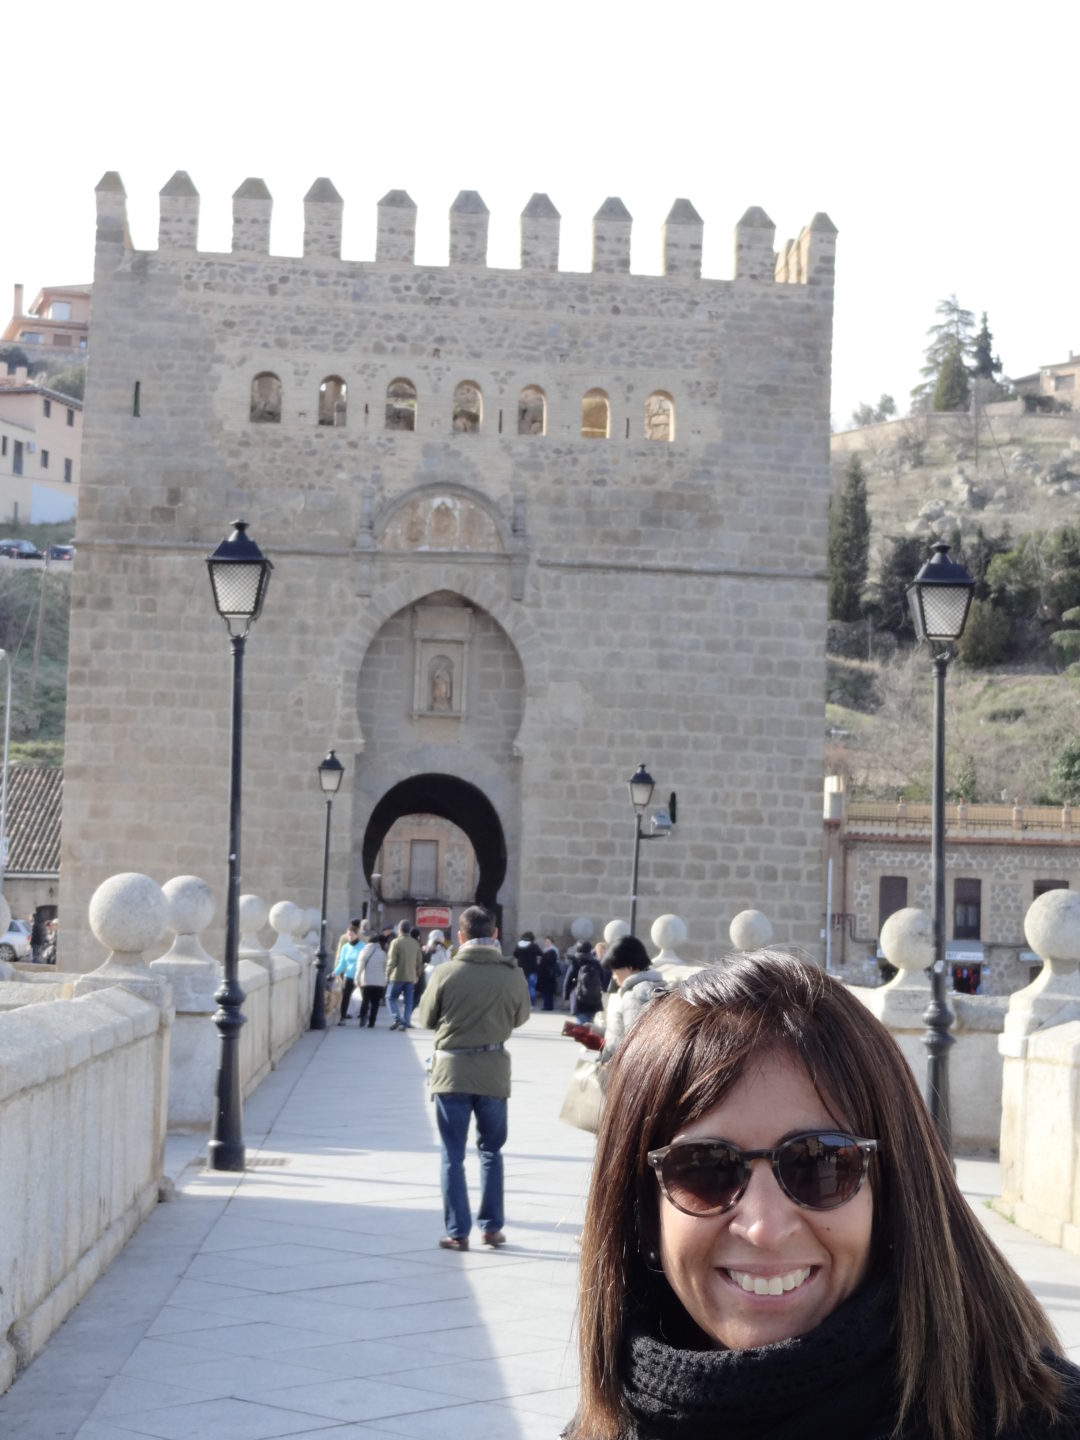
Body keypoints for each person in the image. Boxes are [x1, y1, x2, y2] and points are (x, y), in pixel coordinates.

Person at [568, 950, 1080, 1440]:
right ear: (640, 1210)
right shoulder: (605, 1423)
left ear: (895, 1191)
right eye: (705, 1170)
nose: (765, 1227)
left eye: (820, 1163)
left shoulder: (1043, 1421)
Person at [417, 904, 530, 1252]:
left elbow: (425, 1018)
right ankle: (492, 1228)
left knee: (452, 1155)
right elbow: (521, 1016)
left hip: (451, 1073)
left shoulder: (446, 972)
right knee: (491, 1152)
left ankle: (457, 1232)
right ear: (494, 934)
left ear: (460, 936)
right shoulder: (512, 974)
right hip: (493, 1071)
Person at [596, 934, 663, 1061]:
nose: (614, 977)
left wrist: (608, 1053)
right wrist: (597, 1031)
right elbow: (622, 1029)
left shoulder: (636, 995)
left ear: (629, 968)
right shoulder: (639, 989)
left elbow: (633, 1042)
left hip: (623, 1068)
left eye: (615, 971)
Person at [386, 919, 423, 1030]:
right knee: (408, 1002)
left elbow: (391, 961)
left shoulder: (395, 942)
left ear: (399, 929)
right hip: (411, 977)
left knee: (390, 998)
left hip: (397, 976)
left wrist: (387, 974)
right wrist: (417, 975)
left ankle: (398, 1018)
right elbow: (419, 962)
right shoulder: (415, 943)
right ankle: (405, 1023)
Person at [331, 920, 364, 1024]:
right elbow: (342, 962)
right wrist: (335, 972)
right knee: (345, 997)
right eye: (348, 935)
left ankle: (363, 1017)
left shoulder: (362, 946)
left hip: (360, 977)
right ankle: (343, 1018)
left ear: (356, 934)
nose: (349, 937)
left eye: (351, 935)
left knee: (364, 998)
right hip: (348, 976)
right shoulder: (345, 947)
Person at [356, 928, 387, 1028]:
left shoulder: (364, 951)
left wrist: (357, 979)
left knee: (365, 1000)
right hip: (379, 983)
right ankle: (372, 1022)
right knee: (375, 1003)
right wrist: (385, 981)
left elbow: (359, 966)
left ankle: (363, 1017)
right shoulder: (383, 953)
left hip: (366, 981)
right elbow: (385, 968)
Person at [513, 930, 543, 1003]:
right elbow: (541, 953)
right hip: (532, 969)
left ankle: (522, 1002)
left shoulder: (519, 945)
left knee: (522, 987)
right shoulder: (534, 946)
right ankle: (531, 1002)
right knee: (531, 987)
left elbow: (515, 954)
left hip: (521, 969)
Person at [537, 939, 561, 1012]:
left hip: (545, 979)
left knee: (546, 994)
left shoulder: (544, 962)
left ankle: (546, 1006)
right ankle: (550, 1006)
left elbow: (540, 969)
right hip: (551, 979)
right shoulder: (553, 962)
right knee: (550, 994)